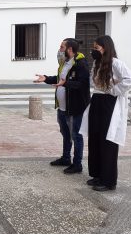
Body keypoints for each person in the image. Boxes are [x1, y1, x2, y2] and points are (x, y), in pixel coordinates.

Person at [80, 35, 131, 192]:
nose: (94, 50)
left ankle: (108, 180)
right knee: (95, 138)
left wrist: (114, 90)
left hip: (109, 103)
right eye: (94, 47)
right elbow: (93, 83)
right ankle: (97, 174)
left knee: (107, 141)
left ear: (106, 48)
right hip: (97, 100)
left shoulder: (116, 63)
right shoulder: (98, 64)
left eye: (97, 48)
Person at [35, 38, 90, 174]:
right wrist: (46, 78)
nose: (59, 50)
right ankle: (66, 158)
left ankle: (77, 164)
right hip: (63, 107)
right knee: (65, 134)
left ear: (69, 49)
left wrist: (64, 84)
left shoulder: (80, 64)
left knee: (76, 135)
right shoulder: (64, 62)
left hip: (75, 108)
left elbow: (82, 85)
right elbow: (60, 79)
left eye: (61, 47)